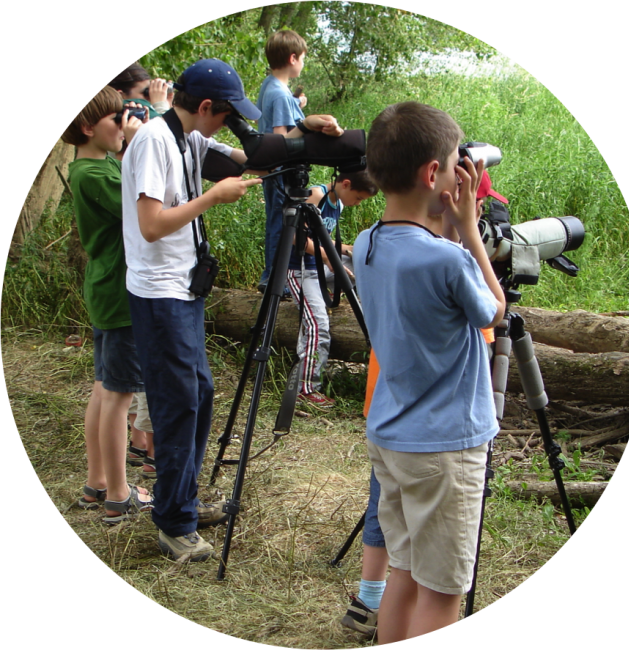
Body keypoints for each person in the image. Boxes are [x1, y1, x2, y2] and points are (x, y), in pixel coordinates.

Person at [121, 58, 344, 562]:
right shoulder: (156, 141)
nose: (229, 123)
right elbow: (152, 224)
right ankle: (175, 526)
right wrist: (212, 198)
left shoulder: (187, 138)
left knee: (197, 394)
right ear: (205, 107)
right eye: (227, 114)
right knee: (180, 406)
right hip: (160, 294)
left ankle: (183, 501)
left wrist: (303, 131)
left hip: (182, 289)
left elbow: (253, 159)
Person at [352, 101, 506, 643]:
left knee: (406, 571)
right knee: (442, 592)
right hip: (444, 449)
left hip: (392, 437)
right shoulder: (449, 258)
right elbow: (493, 308)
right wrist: (468, 226)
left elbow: (425, 259)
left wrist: (451, 231)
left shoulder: (366, 243)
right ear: (432, 175)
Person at [61, 86, 154, 524]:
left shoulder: (93, 167)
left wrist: (126, 142)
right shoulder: (94, 175)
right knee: (119, 396)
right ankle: (119, 493)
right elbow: (141, 206)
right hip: (119, 295)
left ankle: (97, 481)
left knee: (104, 388)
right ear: (87, 127)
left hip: (105, 288)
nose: (123, 125)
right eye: (116, 120)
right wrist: (138, 143)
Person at [288, 171, 377, 407]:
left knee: (363, 262)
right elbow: (297, 238)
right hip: (300, 271)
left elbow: (323, 238)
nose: (357, 203)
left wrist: (348, 249)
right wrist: (329, 257)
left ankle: (371, 313)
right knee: (319, 325)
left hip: (320, 268)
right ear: (345, 183)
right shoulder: (316, 195)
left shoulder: (338, 203)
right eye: (358, 198)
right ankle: (305, 390)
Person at [256, 29, 308, 293]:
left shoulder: (271, 85)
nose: (302, 63)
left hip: (273, 168)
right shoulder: (279, 94)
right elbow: (280, 138)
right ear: (292, 58)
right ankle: (275, 280)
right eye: (302, 58)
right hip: (280, 170)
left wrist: (296, 104)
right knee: (281, 223)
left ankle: (273, 276)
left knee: (276, 221)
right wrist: (307, 125)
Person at [108, 61, 173, 118]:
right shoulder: (116, 120)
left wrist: (167, 105)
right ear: (120, 95)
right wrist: (159, 106)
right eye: (145, 92)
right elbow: (166, 130)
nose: (150, 96)